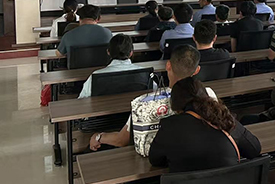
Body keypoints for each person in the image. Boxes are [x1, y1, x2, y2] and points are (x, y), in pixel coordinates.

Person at [89, 45, 261, 159]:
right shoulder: (208, 94)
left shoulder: (142, 103)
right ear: (197, 70)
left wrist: (99, 136)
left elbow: (122, 140)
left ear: (168, 66)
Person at [149, 77, 242, 173]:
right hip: (228, 181)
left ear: (175, 103)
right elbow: (251, 148)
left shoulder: (169, 126)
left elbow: (155, 160)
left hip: (186, 182)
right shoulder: (224, 119)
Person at [78, 34, 146, 99]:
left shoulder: (96, 75)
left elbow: (83, 99)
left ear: (108, 52)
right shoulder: (145, 73)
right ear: (131, 53)